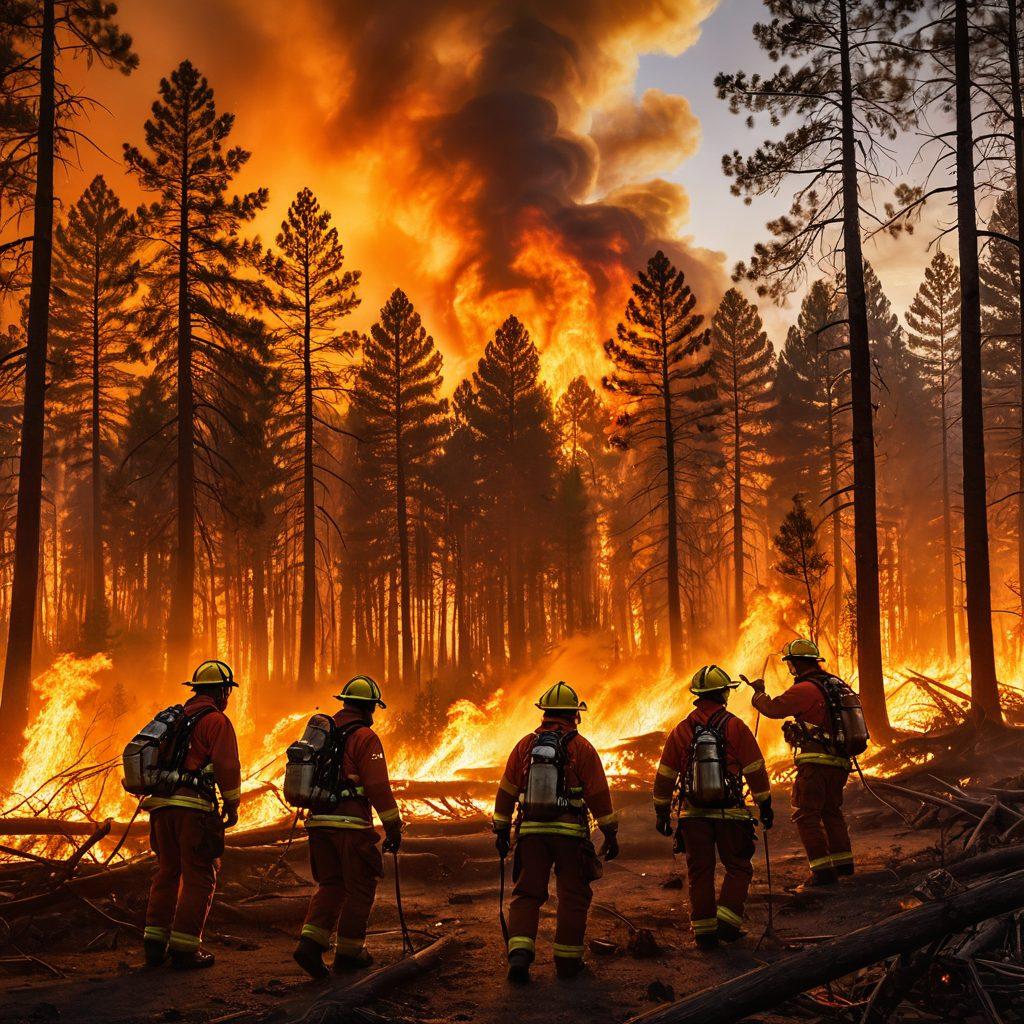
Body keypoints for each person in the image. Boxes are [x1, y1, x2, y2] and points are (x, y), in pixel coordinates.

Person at [492, 682, 619, 984]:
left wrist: (500, 829)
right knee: (573, 896)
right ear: (575, 715)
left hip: (531, 833)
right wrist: (610, 832)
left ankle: (519, 955)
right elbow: (599, 795)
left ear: (545, 713)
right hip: (570, 835)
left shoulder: (525, 746)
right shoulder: (581, 748)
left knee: (526, 893)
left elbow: (506, 791)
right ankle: (567, 961)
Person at [652, 665, 772, 950]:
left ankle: (705, 933)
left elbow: (665, 775)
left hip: (693, 816)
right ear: (723, 694)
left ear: (698, 696)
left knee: (700, 872)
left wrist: (661, 812)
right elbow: (755, 768)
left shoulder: (682, 730)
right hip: (730, 813)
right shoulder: (734, 726)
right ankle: (728, 924)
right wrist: (764, 803)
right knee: (738, 867)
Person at [293, 675, 403, 979]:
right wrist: (393, 826)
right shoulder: (365, 737)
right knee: (360, 887)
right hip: (351, 825)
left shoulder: (322, 734)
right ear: (370, 708)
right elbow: (378, 785)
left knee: (331, 884)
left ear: (345, 702)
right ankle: (350, 952)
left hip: (318, 822)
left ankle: (310, 944)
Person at [143, 659, 242, 970]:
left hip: (161, 808)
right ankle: (186, 949)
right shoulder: (216, 721)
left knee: (167, 873)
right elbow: (227, 766)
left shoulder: (173, 718)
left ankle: (154, 945)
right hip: (193, 811)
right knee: (199, 874)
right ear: (222, 691)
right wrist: (232, 802)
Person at [744, 638, 853, 886]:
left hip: (816, 764)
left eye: (791, 665)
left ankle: (823, 873)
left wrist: (758, 694)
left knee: (807, 815)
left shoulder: (805, 689)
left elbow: (773, 708)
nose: (790, 670)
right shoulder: (835, 685)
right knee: (831, 812)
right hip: (839, 762)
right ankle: (844, 867)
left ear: (797, 664)